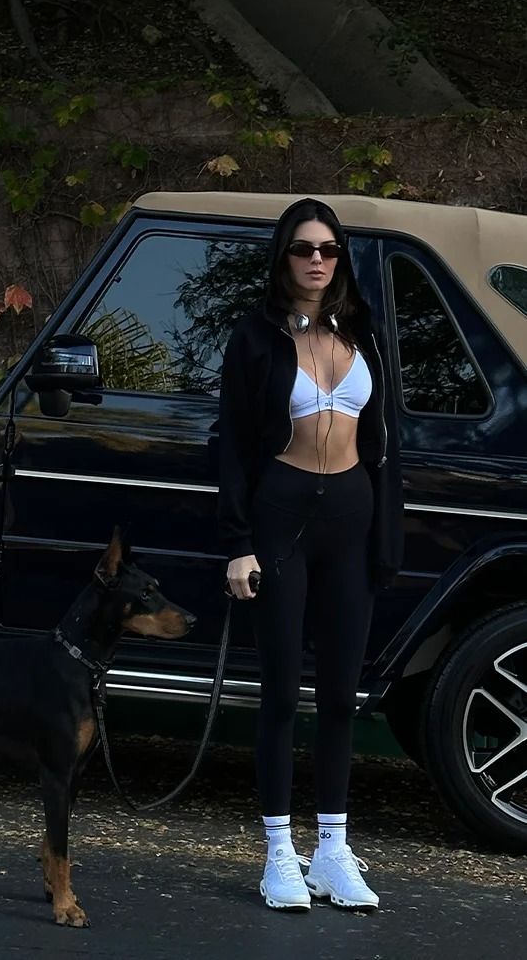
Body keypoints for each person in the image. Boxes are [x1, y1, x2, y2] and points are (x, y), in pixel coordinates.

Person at [218, 197, 403, 911]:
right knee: (280, 692)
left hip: (350, 520)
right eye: (303, 248)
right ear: (283, 256)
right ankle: (278, 852)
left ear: (341, 257)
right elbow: (232, 442)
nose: (317, 260)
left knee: (339, 696)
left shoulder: (364, 331)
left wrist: (385, 536)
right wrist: (237, 544)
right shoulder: (256, 335)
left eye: (328, 249)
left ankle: (332, 849)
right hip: (281, 516)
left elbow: (385, 443)